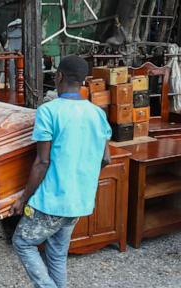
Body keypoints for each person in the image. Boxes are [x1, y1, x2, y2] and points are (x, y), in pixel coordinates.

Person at [9, 55, 112, 288]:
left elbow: (42, 162)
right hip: (79, 200)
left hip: (52, 200)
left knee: (22, 243)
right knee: (56, 254)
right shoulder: (97, 113)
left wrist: (23, 198)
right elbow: (105, 158)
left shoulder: (48, 111)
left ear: (59, 77)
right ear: (83, 81)